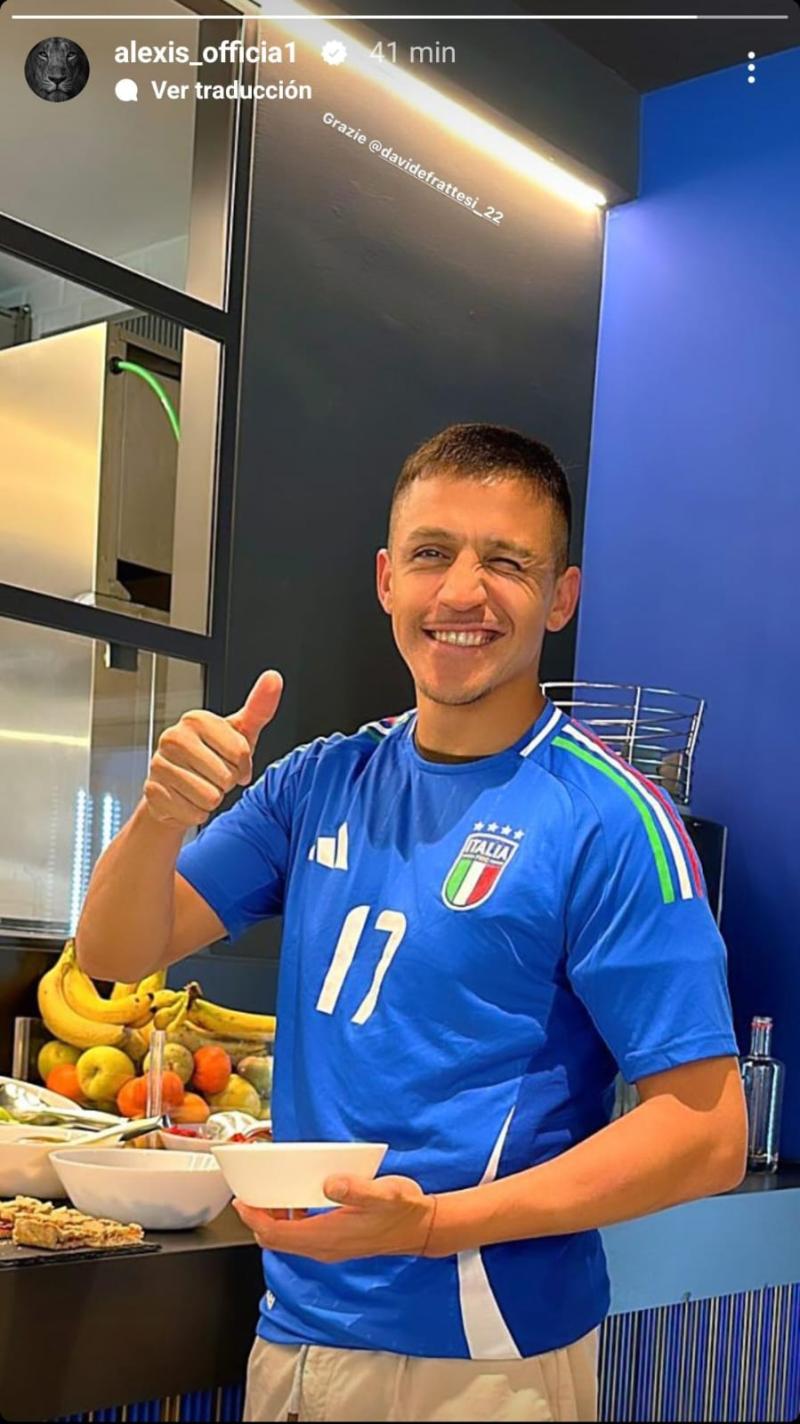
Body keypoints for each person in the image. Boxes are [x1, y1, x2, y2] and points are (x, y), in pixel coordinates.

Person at [76, 423, 747, 1424]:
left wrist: (433, 1225)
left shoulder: (609, 819)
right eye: (432, 553)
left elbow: (705, 1132)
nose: (462, 591)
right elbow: (114, 952)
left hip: (483, 1362)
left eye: (506, 561)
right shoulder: (317, 780)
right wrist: (161, 813)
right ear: (388, 578)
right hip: (294, 1338)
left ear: (560, 596)